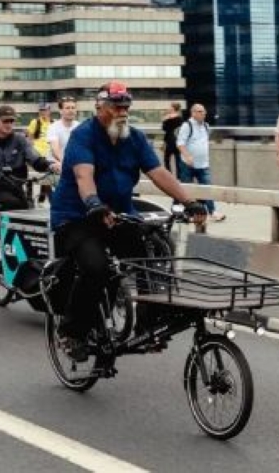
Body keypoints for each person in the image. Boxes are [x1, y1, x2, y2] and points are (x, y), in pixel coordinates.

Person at [49, 81, 205, 361]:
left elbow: (158, 173)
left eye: (126, 106)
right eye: (116, 106)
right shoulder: (84, 136)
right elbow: (84, 177)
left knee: (150, 253)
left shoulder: (134, 138)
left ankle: (149, 324)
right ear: (100, 107)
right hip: (77, 217)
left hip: (119, 214)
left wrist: (189, 202)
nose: (122, 111)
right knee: (96, 267)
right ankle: (72, 332)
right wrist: (94, 204)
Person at [176, 103, 222, 221]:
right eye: (200, 112)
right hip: (188, 164)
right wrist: (188, 156)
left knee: (206, 188)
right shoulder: (187, 126)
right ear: (193, 113)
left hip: (203, 164)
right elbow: (180, 143)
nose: (204, 114)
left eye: (204, 112)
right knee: (187, 189)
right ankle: (187, 213)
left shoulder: (206, 126)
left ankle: (212, 211)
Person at [47, 96, 80, 167]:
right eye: (67, 108)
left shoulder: (80, 126)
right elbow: (55, 150)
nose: (71, 110)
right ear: (61, 111)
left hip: (74, 164)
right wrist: (67, 163)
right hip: (57, 163)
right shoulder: (53, 127)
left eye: (73, 108)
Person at [160, 102, 184, 174]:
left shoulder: (167, 118)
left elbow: (164, 129)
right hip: (178, 141)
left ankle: (169, 175)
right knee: (178, 161)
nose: (169, 108)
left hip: (170, 140)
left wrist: (164, 119)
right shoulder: (180, 118)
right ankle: (179, 177)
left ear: (173, 108)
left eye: (170, 107)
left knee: (166, 160)